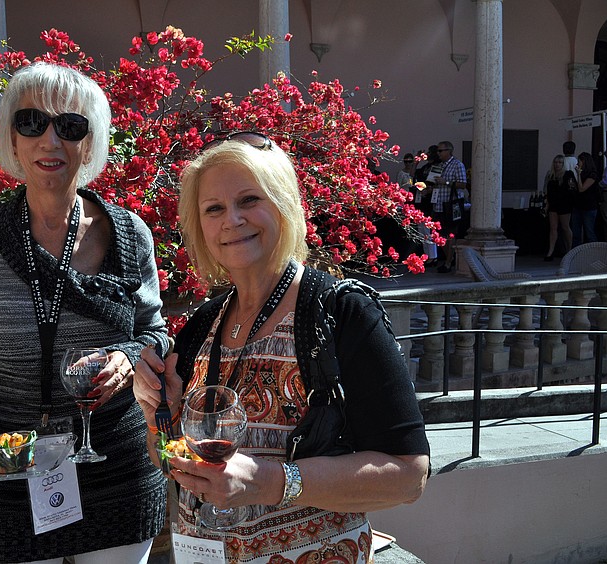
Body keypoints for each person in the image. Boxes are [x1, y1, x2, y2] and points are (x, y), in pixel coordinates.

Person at [133, 135, 430, 563]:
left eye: (249, 200)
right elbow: (170, 463)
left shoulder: (339, 313)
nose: (232, 220)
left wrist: (271, 480)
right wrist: (159, 417)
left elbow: (408, 476)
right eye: (213, 208)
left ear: (284, 204)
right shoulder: (202, 325)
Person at [0, 62, 170, 564]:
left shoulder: (129, 234)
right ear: (12, 137)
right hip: (14, 463)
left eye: (70, 126)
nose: (50, 140)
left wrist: (128, 357)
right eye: (32, 123)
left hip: (115, 462)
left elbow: (154, 332)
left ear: (90, 144)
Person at [432, 141, 468, 273]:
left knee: (450, 234)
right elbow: (435, 184)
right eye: (438, 151)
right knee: (439, 234)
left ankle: (448, 262)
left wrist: (446, 182)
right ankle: (450, 258)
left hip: (451, 205)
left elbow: (463, 184)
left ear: (449, 151)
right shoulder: (438, 166)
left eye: (441, 151)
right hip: (438, 204)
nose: (438, 153)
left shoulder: (457, 165)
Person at [400, 152, 437, 266]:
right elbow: (412, 176)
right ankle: (427, 255)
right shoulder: (424, 168)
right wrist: (416, 162)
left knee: (428, 230)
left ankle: (433, 256)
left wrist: (428, 189)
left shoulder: (437, 168)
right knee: (422, 231)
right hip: (420, 201)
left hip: (430, 202)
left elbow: (434, 184)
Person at [543, 154, 573, 260]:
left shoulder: (568, 174)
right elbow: (547, 191)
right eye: (556, 162)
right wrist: (547, 204)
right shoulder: (550, 175)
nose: (557, 164)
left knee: (565, 227)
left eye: (560, 162)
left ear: (563, 164)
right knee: (553, 227)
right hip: (553, 204)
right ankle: (550, 251)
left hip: (564, 204)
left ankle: (569, 250)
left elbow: (571, 189)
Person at [570, 152, 600, 247]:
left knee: (589, 232)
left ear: (584, 162)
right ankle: (576, 251)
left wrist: (578, 175)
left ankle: (594, 251)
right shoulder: (581, 174)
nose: (577, 164)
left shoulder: (592, 175)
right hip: (578, 205)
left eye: (579, 161)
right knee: (576, 232)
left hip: (589, 206)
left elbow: (582, 188)